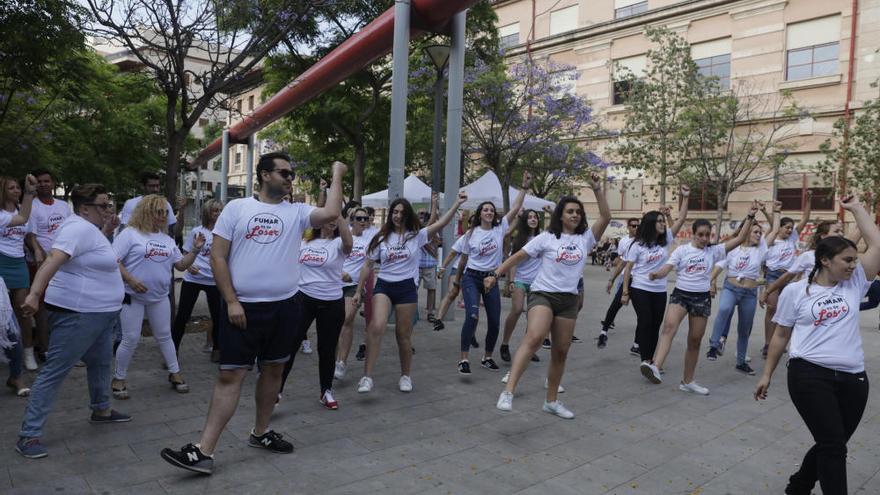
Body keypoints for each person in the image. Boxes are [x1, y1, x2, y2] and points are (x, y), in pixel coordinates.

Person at [160, 154, 345, 475]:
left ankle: (260, 433)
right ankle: (205, 451)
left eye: (292, 173)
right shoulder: (237, 209)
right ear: (263, 175)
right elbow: (218, 257)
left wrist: (337, 171)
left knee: (274, 371)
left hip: (286, 308)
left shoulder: (297, 212)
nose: (290, 178)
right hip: (242, 307)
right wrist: (231, 301)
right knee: (230, 375)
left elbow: (331, 212)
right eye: (284, 172)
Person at [755, 194, 880, 495]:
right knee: (834, 446)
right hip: (809, 374)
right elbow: (781, 336)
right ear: (825, 260)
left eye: (855, 260)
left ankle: (799, 485)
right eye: (847, 260)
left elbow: (876, 245)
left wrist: (857, 208)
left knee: (832, 442)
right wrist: (767, 373)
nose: (853, 265)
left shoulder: (855, 282)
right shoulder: (796, 292)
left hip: (854, 377)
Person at [16, 183, 131, 459]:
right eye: (103, 206)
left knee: (102, 362)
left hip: (100, 314)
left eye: (108, 204)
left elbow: (86, 257)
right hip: (79, 314)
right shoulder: (77, 227)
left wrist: (106, 231)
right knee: (55, 370)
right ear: (84, 208)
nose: (108, 210)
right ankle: (29, 435)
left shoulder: (88, 230)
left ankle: (101, 409)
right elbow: (53, 259)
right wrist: (34, 294)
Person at [491, 172, 611, 418]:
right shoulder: (547, 237)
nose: (575, 215)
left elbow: (606, 217)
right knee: (534, 337)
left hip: (568, 300)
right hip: (543, 294)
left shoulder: (585, 239)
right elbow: (518, 256)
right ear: (560, 215)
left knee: (560, 351)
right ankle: (508, 391)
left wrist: (598, 189)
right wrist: (496, 274)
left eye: (578, 212)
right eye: (569, 211)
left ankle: (551, 401)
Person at [639, 202, 758, 395]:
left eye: (707, 235)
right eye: (700, 234)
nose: (704, 238)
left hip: (701, 299)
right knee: (668, 328)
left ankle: (687, 381)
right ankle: (655, 365)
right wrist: (656, 275)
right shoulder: (682, 250)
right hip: (680, 295)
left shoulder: (714, 251)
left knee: (694, 341)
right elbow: (666, 268)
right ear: (693, 234)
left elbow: (741, 237)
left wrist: (750, 216)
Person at [354, 191, 467, 393]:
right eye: (395, 212)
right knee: (376, 326)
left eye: (401, 212)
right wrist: (357, 291)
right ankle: (367, 377)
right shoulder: (381, 237)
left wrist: (456, 204)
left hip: (406, 288)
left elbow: (441, 224)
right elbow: (367, 264)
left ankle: (405, 375)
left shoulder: (417, 236)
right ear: (391, 215)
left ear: (407, 215)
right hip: (385, 286)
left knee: (402, 335)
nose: (397, 215)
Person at [112, 195, 202, 398]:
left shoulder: (167, 239)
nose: (163, 216)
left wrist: (195, 251)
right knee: (130, 338)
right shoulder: (130, 234)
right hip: (132, 296)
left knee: (164, 336)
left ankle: (175, 373)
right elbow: (113, 260)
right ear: (146, 212)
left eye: (165, 212)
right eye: (158, 212)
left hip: (160, 297)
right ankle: (119, 378)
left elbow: (180, 265)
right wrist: (131, 280)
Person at [456, 173, 532, 375]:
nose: (489, 212)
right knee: (472, 316)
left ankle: (487, 357)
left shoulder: (500, 228)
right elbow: (463, 260)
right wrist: (456, 282)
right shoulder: (470, 234)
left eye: (491, 210)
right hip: (471, 277)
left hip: (491, 278)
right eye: (485, 210)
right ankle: (464, 359)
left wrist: (524, 188)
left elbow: (515, 208)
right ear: (479, 214)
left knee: (495, 320)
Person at [280, 213, 352, 409]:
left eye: (334, 218)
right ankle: (277, 390)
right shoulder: (305, 242)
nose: (331, 220)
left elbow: (348, 243)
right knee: (291, 345)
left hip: (331, 302)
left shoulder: (338, 243)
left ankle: (326, 391)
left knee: (327, 349)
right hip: (304, 299)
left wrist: (340, 217)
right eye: (327, 216)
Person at [759, 218, 859, 357]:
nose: (841, 234)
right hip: (808, 303)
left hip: (831, 304)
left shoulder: (843, 257)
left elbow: (858, 236)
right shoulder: (808, 256)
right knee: (782, 322)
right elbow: (788, 276)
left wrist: (862, 210)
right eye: (836, 231)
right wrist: (768, 291)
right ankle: (770, 345)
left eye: (841, 231)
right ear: (823, 236)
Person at [619, 189, 690, 365]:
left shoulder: (664, 240)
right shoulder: (638, 245)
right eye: (659, 221)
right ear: (651, 223)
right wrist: (625, 292)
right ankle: (645, 359)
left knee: (656, 324)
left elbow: (681, 220)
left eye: (663, 221)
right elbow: (628, 269)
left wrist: (686, 197)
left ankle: (651, 359)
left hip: (659, 290)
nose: (662, 224)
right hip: (639, 289)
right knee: (645, 322)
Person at [706, 202, 772, 374]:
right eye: (755, 232)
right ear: (747, 232)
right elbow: (719, 266)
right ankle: (714, 345)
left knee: (745, 328)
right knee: (724, 308)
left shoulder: (761, 249)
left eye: (760, 232)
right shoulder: (733, 248)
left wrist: (769, 211)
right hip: (731, 288)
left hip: (750, 293)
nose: (759, 235)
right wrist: (711, 282)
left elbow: (776, 227)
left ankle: (741, 361)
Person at [24, 169, 70, 366]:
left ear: (53, 183)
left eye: (47, 181)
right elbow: (29, 236)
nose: (43, 184)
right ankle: (45, 349)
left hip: (65, 263)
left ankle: (66, 348)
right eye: (40, 182)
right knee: (42, 307)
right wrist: (42, 254)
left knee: (65, 306)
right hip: (41, 263)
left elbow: (71, 230)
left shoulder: (63, 206)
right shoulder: (31, 206)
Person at [172, 199, 223, 363]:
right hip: (192, 279)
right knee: (182, 316)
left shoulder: (224, 233)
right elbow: (185, 253)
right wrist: (189, 266)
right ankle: (172, 352)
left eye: (220, 211)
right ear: (208, 213)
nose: (218, 214)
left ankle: (217, 349)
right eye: (215, 211)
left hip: (214, 280)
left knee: (218, 317)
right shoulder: (197, 231)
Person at [760, 195, 811, 358]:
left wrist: (808, 200)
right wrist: (775, 211)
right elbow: (772, 224)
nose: (790, 230)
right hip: (773, 276)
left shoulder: (793, 238)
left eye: (791, 228)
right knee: (772, 308)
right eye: (787, 227)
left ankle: (778, 342)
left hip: (789, 278)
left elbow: (805, 218)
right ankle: (768, 344)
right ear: (780, 228)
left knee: (785, 312)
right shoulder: (772, 239)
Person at [1, 176, 39, 373]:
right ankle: (8, 354)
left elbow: (27, 233)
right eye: (11, 188)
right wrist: (30, 193)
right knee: (3, 313)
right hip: (1, 262)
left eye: (18, 188)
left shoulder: (22, 211)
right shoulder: (2, 214)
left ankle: (28, 352)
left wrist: (37, 250)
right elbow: (22, 218)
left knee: (24, 309)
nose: (16, 190)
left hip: (19, 262)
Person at [499, 209, 544, 363]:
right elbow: (514, 262)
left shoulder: (543, 237)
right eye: (529, 217)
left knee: (533, 317)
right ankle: (505, 344)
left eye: (535, 217)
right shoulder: (519, 240)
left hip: (538, 283)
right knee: (517, 309)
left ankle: (529, 348)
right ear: (524, 220)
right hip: (520, 280)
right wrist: (511, 281)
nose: (533, 219)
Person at [335, 208, 375, 379]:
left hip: (354, 286)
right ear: (351, 220)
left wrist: (360, 289)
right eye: (359, 218)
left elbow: (368, 265)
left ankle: (341, 362)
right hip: (334, 284)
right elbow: (332, 258)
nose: (363, 221)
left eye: (366, 218)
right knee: (344, 324)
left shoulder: (371, 239)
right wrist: (339, 273)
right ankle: (337, 359)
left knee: (346, 319)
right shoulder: (342, 237)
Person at [597, 217, 640, 350]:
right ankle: (603, 332)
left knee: (642, 314)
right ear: (628, 227)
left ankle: (637, 344)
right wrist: (612, 279)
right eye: (633, 226)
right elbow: (622, 263)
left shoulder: (646, 241)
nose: (636, 228)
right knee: (616, 304)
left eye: (638, 226)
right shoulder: (625, 242)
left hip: (641, 282)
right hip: (626, 278)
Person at [432, 233, 467, 332]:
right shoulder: (467, 236)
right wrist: (443, 267)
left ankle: (470, 333)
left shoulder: (491, 234)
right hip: (458, 269)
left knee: (472, 302)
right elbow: (452, 253)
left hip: (475, 273)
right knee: (452, 293)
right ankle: (438, 320)